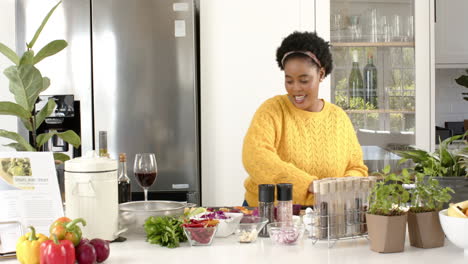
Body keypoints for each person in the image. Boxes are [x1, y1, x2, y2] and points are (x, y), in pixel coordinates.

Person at [242, 31, 368, 207]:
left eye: (304, 80)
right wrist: (310, 186)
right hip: (268, 212)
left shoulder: (339, 118)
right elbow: (255, 157)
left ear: (321, 74)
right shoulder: (272, 110)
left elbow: (357, 168)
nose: (295, 89)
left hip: (325, 214)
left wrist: (338, 190)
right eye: (289, 80)